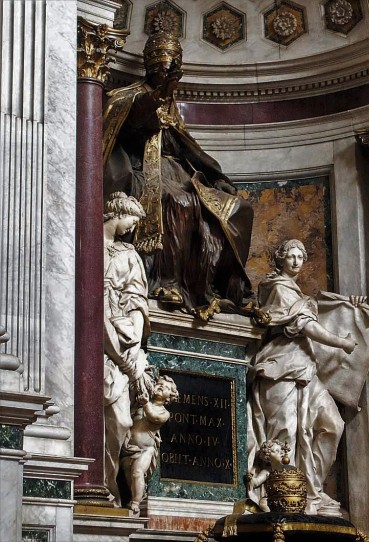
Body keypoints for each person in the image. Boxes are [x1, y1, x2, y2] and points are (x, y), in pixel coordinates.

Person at [103, 30, 254, 317]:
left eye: (169, 68)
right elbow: (135, 125)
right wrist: (160, 94)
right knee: (179, 202)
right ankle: (166, 281)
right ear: (149, 66)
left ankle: (230, 290)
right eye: (159, 67)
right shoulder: (128, 97)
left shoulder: (173, 107)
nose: (163, 72)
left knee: (236, 209)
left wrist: (217, 177)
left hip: (180, 172)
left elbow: (189, 149)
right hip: (141, 171)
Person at [247, 239, 369, 515]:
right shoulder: (278, 289)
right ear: (280, 259)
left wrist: (350, 305)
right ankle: (279, 492)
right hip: (280, 368)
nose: (296, 262)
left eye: (300, 257)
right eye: (291, 256)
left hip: (305, 368)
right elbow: (306, 325)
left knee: (332, 424)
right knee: (286, 434)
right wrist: (341, 342)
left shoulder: (298, 294)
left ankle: (310, 488)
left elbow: (320, 310)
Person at [103, 192, 154, 506]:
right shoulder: (86, 240)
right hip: (95, 338)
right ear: (118, 212)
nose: (133, 229)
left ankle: (104, 485)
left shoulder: (129, 254)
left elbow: (137, 298)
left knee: (121, 421)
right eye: (132, 221)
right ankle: (98, 487)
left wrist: (133, 338)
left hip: (122, 336)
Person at [120, 375, 179, 514]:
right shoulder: (141, 403)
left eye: (164, 387)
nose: (160, 386)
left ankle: (136, 502)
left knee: (137, 472)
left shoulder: (164, 413)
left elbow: (154, 417)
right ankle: (135, 496)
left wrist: (146, 404)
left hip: (146, 450)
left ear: (169, 396)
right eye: (158, 384)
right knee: (129, 478)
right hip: (128, 449)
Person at [246, 439, 290, 512]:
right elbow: (257, 481)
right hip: (271, 498)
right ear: (268, 456)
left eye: (282, 451)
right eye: (277, 451)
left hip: (286, 497)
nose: (282, 453)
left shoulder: (287, 470)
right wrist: (251, 479)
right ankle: (272, 519)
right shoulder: (268, 471)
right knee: (263, 503)